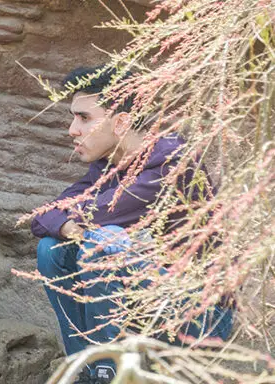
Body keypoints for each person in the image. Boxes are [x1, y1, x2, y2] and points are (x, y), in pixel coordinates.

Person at [31, 66, 233, 384]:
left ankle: (106, 370)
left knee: (105, 241)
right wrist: (70, 229)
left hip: (198, 315)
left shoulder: (170, 163)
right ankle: (87, 367)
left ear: (122, 122)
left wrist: (76, 224)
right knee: (51, 248)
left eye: (84, 118)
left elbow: (83, 214)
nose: (72, 130)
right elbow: (43, 216)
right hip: (149, 303)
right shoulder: (108, 165)